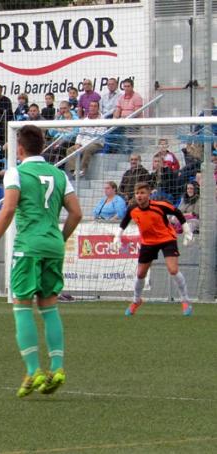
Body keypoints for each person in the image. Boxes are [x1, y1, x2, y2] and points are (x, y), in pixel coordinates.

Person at [0, 125, 82, 398]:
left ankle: (34, 369)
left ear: (20, 149)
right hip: (53, 246)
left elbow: (10, 206)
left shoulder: (17, 172)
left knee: (22, 306)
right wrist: (60, 238)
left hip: (28, 247)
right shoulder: (60, 174)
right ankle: (57, 368)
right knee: (49, 307)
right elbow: (76, 213)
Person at [112, 182, 194, 316]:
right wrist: (117, 237)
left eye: (142, 193)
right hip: (148, 243)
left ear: (149, 194)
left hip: (167, 239)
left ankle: (185, 300)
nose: (139, 196)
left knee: (173, 269)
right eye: (137, 193)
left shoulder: (160, 205)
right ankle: (136, 300)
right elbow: (124, 222)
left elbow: (178, 213)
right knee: (140, 274)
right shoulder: (132, 209)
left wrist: (187, 231)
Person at [64, 100, 106, 177]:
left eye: (95, 106)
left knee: (88, 149)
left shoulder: (102, 120)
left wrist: (83, 145)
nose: (92, 108)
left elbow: (98, 136)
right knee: (70, 150)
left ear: (98, 108)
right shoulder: (85, 120)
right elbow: (80, 134)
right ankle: (74, 171)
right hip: (83, 144)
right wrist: (77, 143)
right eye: (91, 106)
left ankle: (83, 169)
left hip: (96, 143)